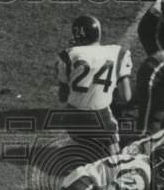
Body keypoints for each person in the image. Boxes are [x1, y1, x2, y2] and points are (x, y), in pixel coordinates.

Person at [56, 14, 133, 157]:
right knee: (114, 156)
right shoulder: (117, 52)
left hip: (72, 118)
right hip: (101, 117)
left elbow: (63, 97)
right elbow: (126, 97)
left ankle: (83, 152)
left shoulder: (68, 56)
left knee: (83, 151)